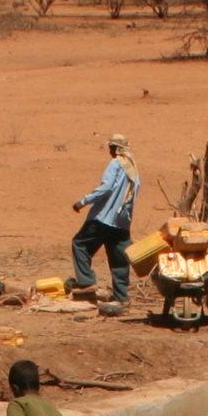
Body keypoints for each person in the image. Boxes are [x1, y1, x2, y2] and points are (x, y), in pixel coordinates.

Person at [71, 134, 141, 315]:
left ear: (116, 149)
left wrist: (83, 201)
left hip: (104, 217)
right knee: (119, 260)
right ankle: (121, 298)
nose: (109, 151)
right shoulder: (133, 168)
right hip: (122, 223)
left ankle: (86, 282)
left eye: (111, 147)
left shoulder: (116, 164)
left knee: (80, 245)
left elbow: (106, 187)